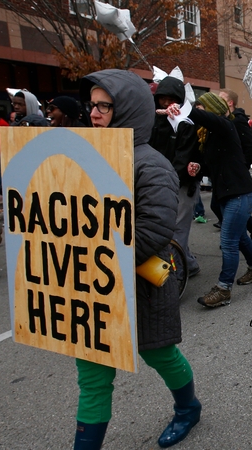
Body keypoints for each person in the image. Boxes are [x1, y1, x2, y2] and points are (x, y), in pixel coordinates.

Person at [74, 69, 201, 449]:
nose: (94, 114)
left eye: (104, 106)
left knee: (161, 356)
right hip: (91, 288)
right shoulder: (82, 157)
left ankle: (188, 408)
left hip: (141, 288)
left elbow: (154, 231)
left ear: (126, 109)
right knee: (93, 376)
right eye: (92, 105)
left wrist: (98, 250)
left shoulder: (150, 165)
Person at [163, 92, 252, 306]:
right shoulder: (209, 135)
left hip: (241, 193)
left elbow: (207, 119)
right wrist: (199, 167)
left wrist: (185, 107)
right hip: (227, 194)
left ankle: (224, 289)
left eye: (202, 109)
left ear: (213, 110)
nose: (199, 114)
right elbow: (214, 163)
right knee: (240, 237)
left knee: (228, 241)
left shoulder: (226, 125)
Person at [149, 75, 203, 278]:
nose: (166, 103)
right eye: (162, 98)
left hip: (182, 184)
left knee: (177, 231)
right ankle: (189, 263)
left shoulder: (186, 122)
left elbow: (184, 155)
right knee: (166, 229)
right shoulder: (154, 120)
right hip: (157, 183)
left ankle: (177, 276)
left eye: (171, 99)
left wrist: (168, 180)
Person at [219, 90, 252, 245]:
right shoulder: (225, 119)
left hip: (236, 171)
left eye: (221, 98)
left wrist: (242, 164)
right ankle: (250, 228)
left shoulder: (237, 120)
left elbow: (250, 143)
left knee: (233, 206)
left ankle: (240, 233)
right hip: (226, 172)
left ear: (230, 102)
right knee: (221, 205)